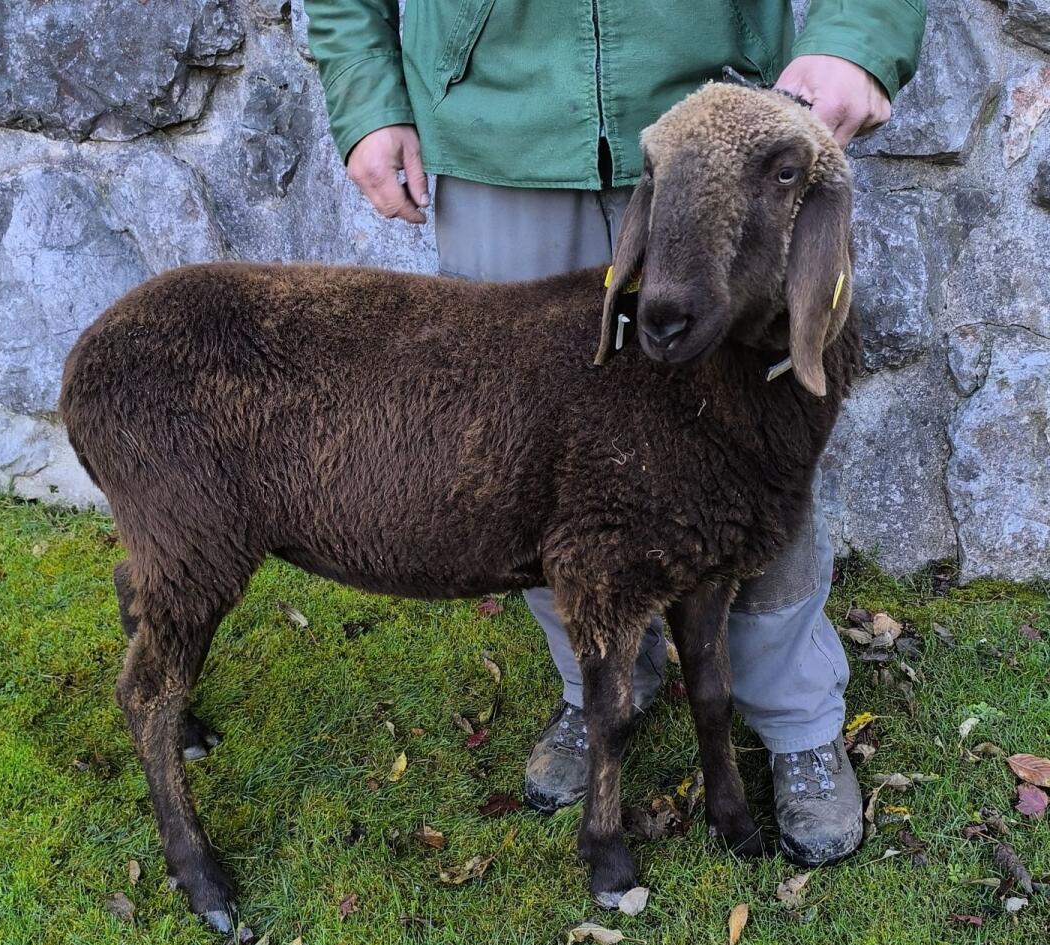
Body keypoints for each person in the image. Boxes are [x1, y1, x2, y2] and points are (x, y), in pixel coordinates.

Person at [304, 1, 926, 866]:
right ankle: (595, 683)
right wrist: (368, 96)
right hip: (500, 128)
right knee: (524, 456)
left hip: (721, 121)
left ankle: (796, 716)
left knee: (760, 444)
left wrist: (857, 38)